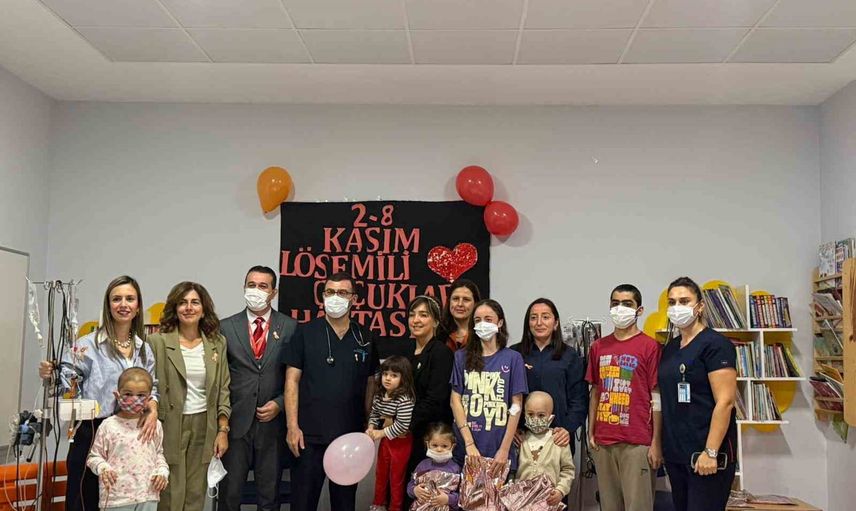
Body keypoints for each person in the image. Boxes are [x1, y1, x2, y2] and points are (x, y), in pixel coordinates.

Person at [38, 275, 158, 511]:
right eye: (117, 299)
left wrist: (153, 409)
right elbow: (65, 383)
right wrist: (50, 374)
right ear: (108, 305)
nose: (123, 304)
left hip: (130, 435)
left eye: (130, 299)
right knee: (84, 499)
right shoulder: (87, 345)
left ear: (138, 306)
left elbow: (152, 388)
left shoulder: (144, 349)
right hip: (92, 431)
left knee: (122, 500)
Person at [283, 271, 380, 511]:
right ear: (323, 296)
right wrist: (292, 427)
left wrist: (369, 422)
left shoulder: (364, 337)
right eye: (330, 292)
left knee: (344, 504)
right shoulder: (304, 332)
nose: (335, 297)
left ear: (353, 299)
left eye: (342, 292)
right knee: (303, 503)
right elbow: (292, 381)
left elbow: (371, 382)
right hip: (308, 436)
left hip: (349, 436)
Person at [218, 266, 297, 511]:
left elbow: (296, 376)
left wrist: (280, 404)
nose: (256, 290)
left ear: (273, 292)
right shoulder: (225, 327)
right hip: (235, 423)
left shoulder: (290, 327)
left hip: (272, 425)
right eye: (251, 285)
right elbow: (219, 378)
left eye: (263, 286)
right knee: (230, 494)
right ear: (244, 288)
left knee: (269, 495)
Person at [148, 281, 231, 511]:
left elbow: (224, 388)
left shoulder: (217, 343)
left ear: (203, 310)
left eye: (195, 302)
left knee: (195, 494)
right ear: (175, 308)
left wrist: (223, 430)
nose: (188, 307)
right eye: (182, 303)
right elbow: (149, 386)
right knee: (169, 492)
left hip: (205, 424)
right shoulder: (157, 342)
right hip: (169, 424)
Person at [659, 277, 737, 511]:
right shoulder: (671, 348)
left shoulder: (715, 345)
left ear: (700, 306)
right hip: (676, 452)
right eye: (672, 302)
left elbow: (726, 401)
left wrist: (710, 452)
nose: (677, 307)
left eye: (684, 301)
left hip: (706, 454)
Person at [586, 284, 663, 511]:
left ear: (639, 310)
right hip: (604, 440)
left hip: (637, 441)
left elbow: (656, 396)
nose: (620, 308)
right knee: (609, 506)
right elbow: (595, 391)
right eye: (615, 303)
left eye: (627, 304)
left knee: (638, 506)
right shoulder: (598, 347)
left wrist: (656, 442)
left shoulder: (650, 347)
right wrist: (591, 430)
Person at [450, 299, 527, 467]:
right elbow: (455, 401)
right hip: (466, 446)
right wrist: (469, 443)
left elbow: (516, 405)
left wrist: (504, 449)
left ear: (500, 323)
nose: (482, 324)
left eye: (488, 319)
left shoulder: (513, 358)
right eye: (477, 320)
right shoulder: (461, 357)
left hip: (499, 447)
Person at [86, 367, 169, 511]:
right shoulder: (108, 426)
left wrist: (162, 472)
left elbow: (158, 454)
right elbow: (93, 457)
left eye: (141, 395)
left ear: (149, 399)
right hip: (116, 498)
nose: (134, 399)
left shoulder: (154, 425)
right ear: (117, 395)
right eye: (128, 394)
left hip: (148, 495)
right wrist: (103, 468)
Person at [513, 298, 587, 453]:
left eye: (545, 317)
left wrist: (568, 428)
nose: (539, 323)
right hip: (522, 439)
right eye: (534, 318)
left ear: (556, 323)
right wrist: (512, 429)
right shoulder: (514, 354)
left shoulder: (570, 356)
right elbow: (505, 397)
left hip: (557, 438)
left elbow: (579, 399)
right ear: (528, 323)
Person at [405, 296, 454, 487]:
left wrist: (403, 423)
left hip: (430, 439)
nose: (416, 320)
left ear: (435, 321)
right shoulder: (406, 352)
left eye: (423, 315)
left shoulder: (441, 353)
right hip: (405, 437)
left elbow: (436, 400)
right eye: (412, 315)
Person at [367, 355, 416, 511]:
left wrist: (380, 433)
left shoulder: (404, 399)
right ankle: (378, 504)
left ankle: (395, 507)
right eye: (385, 374)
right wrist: (371, 427)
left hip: (401, 443)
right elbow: (374, 413)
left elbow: (402, 425)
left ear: (403, 378)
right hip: (386, 441)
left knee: (396, 479)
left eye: (394, 375)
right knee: (381, 474)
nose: (388, 378)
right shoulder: (380, 394)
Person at [517, 391, 575, 507]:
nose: (535, 419)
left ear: (551, 417)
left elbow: (568, 470)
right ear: (524, 415)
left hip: (549, 502)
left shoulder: (559, 440)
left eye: (541, 415)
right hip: (522, 502)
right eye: (530, 414)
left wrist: (560, 490)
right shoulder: (520, 440)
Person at [407, 422, 461, 510]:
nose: (439, 449)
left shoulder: (456, 469)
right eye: (435, 445)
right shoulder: (422, 465)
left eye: (444, 446)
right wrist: (414, 490)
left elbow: (461, 496)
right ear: (428, 444)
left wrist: (448, 499)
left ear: (452, 446)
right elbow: (411, 484)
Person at [438, 279, 480, 352]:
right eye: (455, 299)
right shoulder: (438, 333)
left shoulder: (482, 333)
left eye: (466, 299)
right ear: (449, 302)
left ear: (475, 303)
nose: (460, 304)